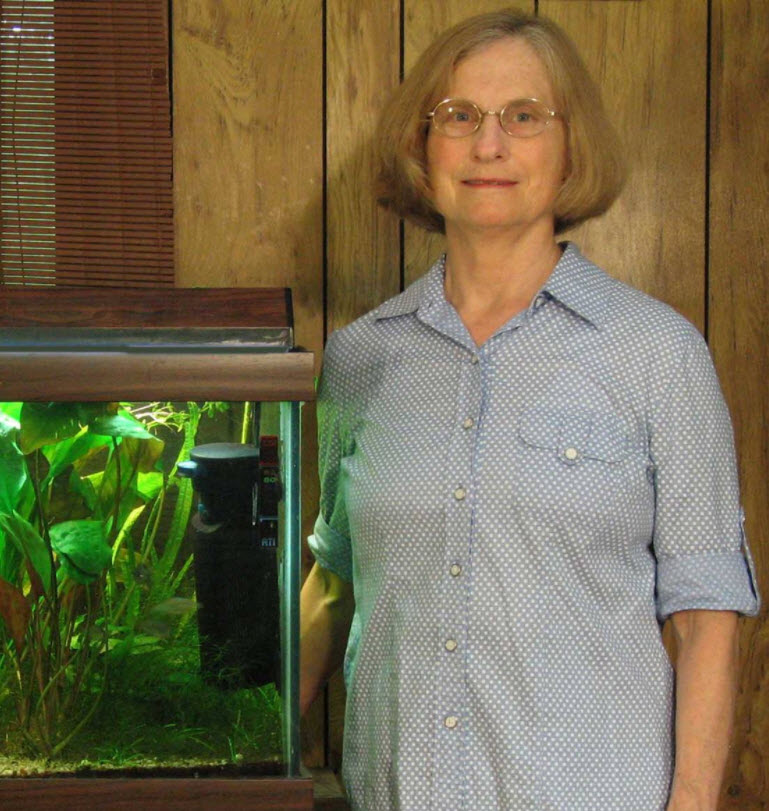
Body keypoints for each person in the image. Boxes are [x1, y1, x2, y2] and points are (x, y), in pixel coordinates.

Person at [297, 10, 760, 810]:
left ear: (570, 146)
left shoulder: (656, 352)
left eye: (523, 116)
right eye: (458, 117)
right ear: (420, 148)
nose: (488, 146)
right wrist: (228, 747)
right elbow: (334, 581)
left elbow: (704, 617)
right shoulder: (359, 359)